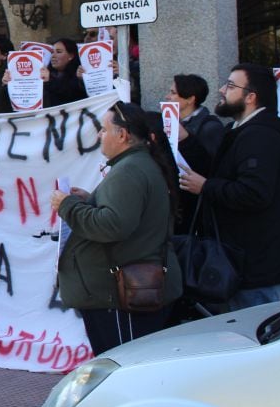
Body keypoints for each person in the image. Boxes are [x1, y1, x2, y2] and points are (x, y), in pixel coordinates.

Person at [51, 102, 182, 356]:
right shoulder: (136, 165)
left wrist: (67, 206)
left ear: (122, 135)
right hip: (125, 290)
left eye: (103, 130)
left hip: (122, 295)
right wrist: (91, 201)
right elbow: (128, 214)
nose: (100, 135)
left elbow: (112, 226)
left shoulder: (129, 170)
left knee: (123, 364)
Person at [179, 64, 280, 310]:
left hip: (256, 270)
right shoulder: (237, 131)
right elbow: (217, 171)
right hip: (238, 265)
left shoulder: (260, 136)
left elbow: (254, 193)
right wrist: (185, 142)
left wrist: (206, 187)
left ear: (251, 97)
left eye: (230, 86)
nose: (221, 90)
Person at [167, 74, 224, 165]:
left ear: (190, 99)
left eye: (173, 93)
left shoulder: (210, 128)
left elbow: (213, 165)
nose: (167, 97)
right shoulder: (174, 122)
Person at [42, 37, 86, 107]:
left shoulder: (79, 76)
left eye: (58, 52)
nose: (53, 56)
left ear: (71, 56)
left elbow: (68, 96)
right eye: (52, 52)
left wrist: (48, 81)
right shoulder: (46, 76)